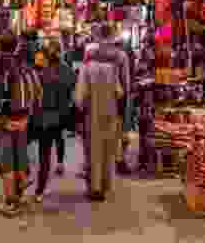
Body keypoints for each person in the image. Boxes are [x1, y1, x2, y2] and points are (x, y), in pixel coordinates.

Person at [0, 33, 42, 216]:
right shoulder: (26, 67)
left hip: (4, 120)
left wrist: (1, 117)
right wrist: (28, 116)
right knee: (19, 155)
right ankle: (21, 192)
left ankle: (10, 202)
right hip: (23, 119)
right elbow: (37, 91)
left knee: (6, 161)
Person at [75, 52, 124, 202]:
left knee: (93, 150)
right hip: (110, 114)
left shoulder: (86, 69)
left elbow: (79, 97)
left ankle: (95, 188)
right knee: (107, 149)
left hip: (93, 115)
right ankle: (105, 184)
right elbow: (119, 92)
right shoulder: (112, 68)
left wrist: (79, 111)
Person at [84, 23, 132, 175]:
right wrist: (125, 98)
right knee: (114, 133)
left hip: (93, 98)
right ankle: (115, 164)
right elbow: (126, 82)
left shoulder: (90, 52)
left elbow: (84, 76)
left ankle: (92, 168)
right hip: (114, 98)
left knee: (94, 134)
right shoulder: (120, 55)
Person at [31, 43, 75, 202]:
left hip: (40, 118)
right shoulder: (63, 72)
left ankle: (37, 188)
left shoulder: (40, 74)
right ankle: (39, 190)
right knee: (46, 153)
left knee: (43, 153)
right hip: (55, 117)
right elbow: (71, 89)